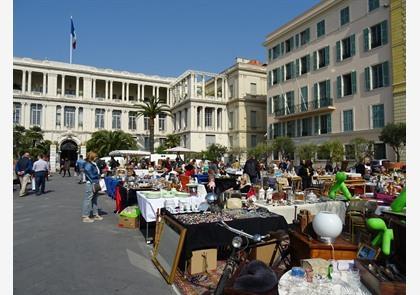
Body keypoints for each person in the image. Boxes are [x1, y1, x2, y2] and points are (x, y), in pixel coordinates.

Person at [82, 152, 103, 223]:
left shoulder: (93, 164)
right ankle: (85, 216)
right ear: (91, 157)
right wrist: (99, 176)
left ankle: (95, 214)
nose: (96, 158)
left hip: (95, 182)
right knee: (88, 199)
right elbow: (91, 175)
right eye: (95, 157)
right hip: (91, 183)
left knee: (94, 199)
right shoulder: (88, 165)